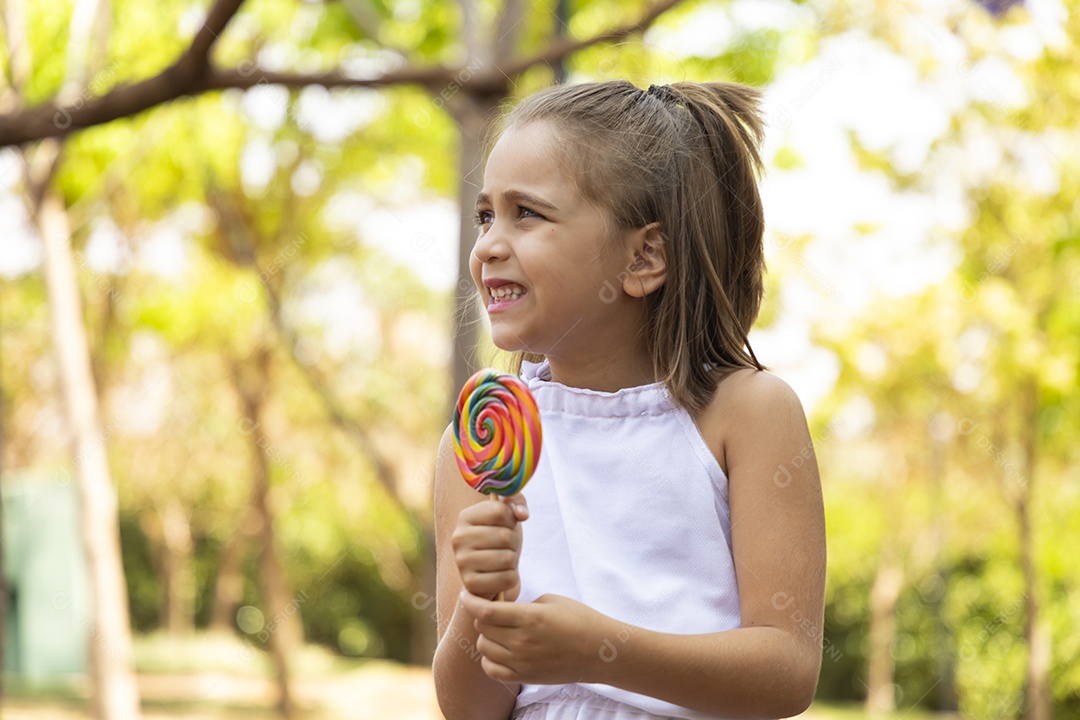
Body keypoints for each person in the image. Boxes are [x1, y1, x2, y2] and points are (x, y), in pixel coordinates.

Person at [432, 80, 826, 720]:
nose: (488, 246)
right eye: (485, 215)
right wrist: (485, 605)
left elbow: (786, 672)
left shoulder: (747, 413)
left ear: (643, 257)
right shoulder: (477, 445)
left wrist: (601, 651)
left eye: (526, 213)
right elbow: (467, 708)